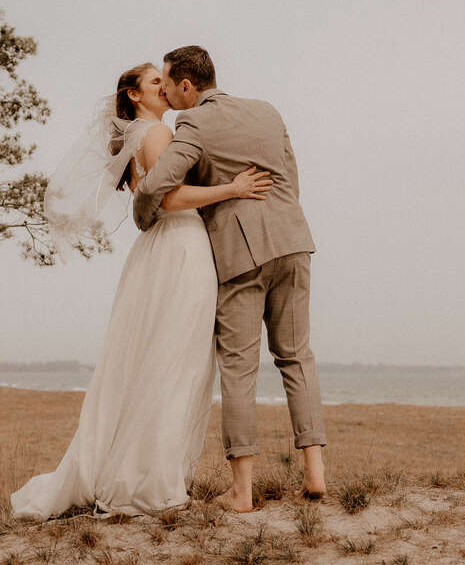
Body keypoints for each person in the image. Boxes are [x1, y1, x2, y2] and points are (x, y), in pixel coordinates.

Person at [9, 62, 273, 520]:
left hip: (157, 251)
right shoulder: (157, 134)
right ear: (135, 95)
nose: (164, 88)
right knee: (175, 362)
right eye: (155, 82)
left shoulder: (137, 136)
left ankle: (136, 470)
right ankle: (149, 480)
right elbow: (170, 198)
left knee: (153, 359)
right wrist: (232, 188)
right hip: (181, 246)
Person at [133, 46, 327, 513]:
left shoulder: (194, 123)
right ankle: (315, 473)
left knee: (239, 369)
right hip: (293, 241)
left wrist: (142, 215)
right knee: (297, 356)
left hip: (242, 256)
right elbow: (291, 176)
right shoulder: (267, 111)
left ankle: (242, 492)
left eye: (168, 83)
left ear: (186, 85)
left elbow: (159, 183)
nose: (166, 92)